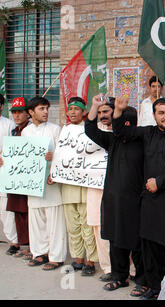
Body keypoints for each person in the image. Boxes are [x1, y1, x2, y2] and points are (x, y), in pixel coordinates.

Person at [112, 97, 165, 300]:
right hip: (152, 202)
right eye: (161, 113)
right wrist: (117, 111)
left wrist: (160, 181)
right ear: (155, 115)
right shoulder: (147, 133)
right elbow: (121, 132)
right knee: (152, 247)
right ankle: (156, 288)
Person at [85, 94, 146, 296]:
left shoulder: (143, 140)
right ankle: (119, 277)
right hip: (113, 200)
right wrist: (94, 106)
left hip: (136, 201)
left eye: (122, 121)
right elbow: (90, 129)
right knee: (116, 240)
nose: (117, 126)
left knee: (137, 242)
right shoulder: (112, 140)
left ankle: (143, 279)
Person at [22, 96, 67, 271]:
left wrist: (53, 160)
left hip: (51, 182)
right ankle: (39, 253)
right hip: (32, 183)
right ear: (31, 112)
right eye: (41, 109)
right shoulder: (26, 132)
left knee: (55, 220)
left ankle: (56, 257)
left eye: (47, 108)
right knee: (36, 218)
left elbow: (63, 154)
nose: (46, 112)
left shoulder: (56, 129)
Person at [58, 97, 98, 276]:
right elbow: (60, 155)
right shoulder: (64, 131)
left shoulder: (88, 129)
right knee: (72, 224)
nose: (73, 112)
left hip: (85, 183)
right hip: (68, 184)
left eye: (77, 109)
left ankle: (91, 260)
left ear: (84, 112)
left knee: (87, 224)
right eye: (70, 109)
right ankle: (78, 259)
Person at [86, 99, 113, 281]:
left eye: (106, 111)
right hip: (94, 186)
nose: (103, 115)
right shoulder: (86, 135)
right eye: (100, 112)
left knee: (119, 227)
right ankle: (108, 268)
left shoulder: (121, 133)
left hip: (116, 187)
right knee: (98, 226)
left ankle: (129, 268)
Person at [0, 97, 30, 258]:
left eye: (20, 112)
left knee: (18, 210)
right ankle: (19, 242)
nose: (17, 116)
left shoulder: (10, 126)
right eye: (15, 112)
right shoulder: (15, 129)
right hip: (11, 174)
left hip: (15, 175)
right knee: (9, 210)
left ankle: (21, 243)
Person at [0, 94, 18, 255]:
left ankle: (14, 241)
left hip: (4, 171)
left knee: (5, 209)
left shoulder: (9, 124)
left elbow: (14, 148)